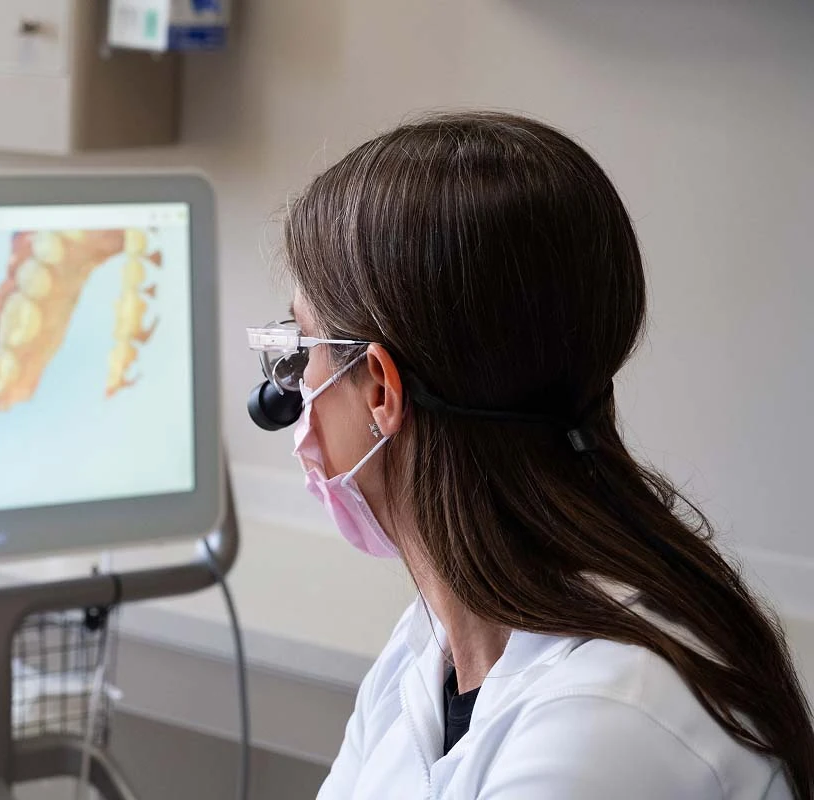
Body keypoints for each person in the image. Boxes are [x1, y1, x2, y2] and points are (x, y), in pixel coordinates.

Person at [247, 112, 813, 799]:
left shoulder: (607, 728)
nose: (295, 390)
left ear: (379, 391)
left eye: (300, 351)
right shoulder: (438, 640)